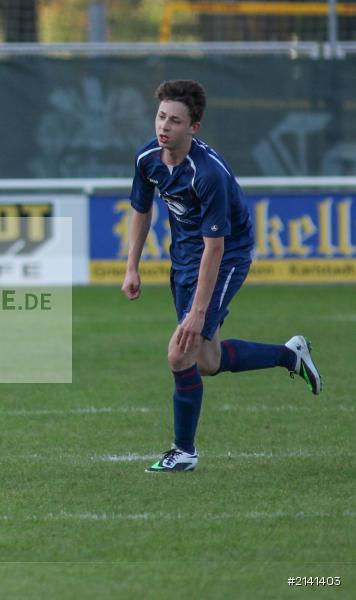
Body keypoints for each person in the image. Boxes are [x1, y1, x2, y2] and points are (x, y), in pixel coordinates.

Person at [122, 79, 322, 473]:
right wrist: (132, 266)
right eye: (161, 117)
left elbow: (215, 248)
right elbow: (141, 211)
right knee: (206, 361)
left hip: (227, 254)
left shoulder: (207, 173)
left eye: (175, 121)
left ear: (194, 128)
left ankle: (184, 451)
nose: (164, 126)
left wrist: (197, 313)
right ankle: (288, 354)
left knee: (181, 352)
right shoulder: (147, 158)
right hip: (183, 254)